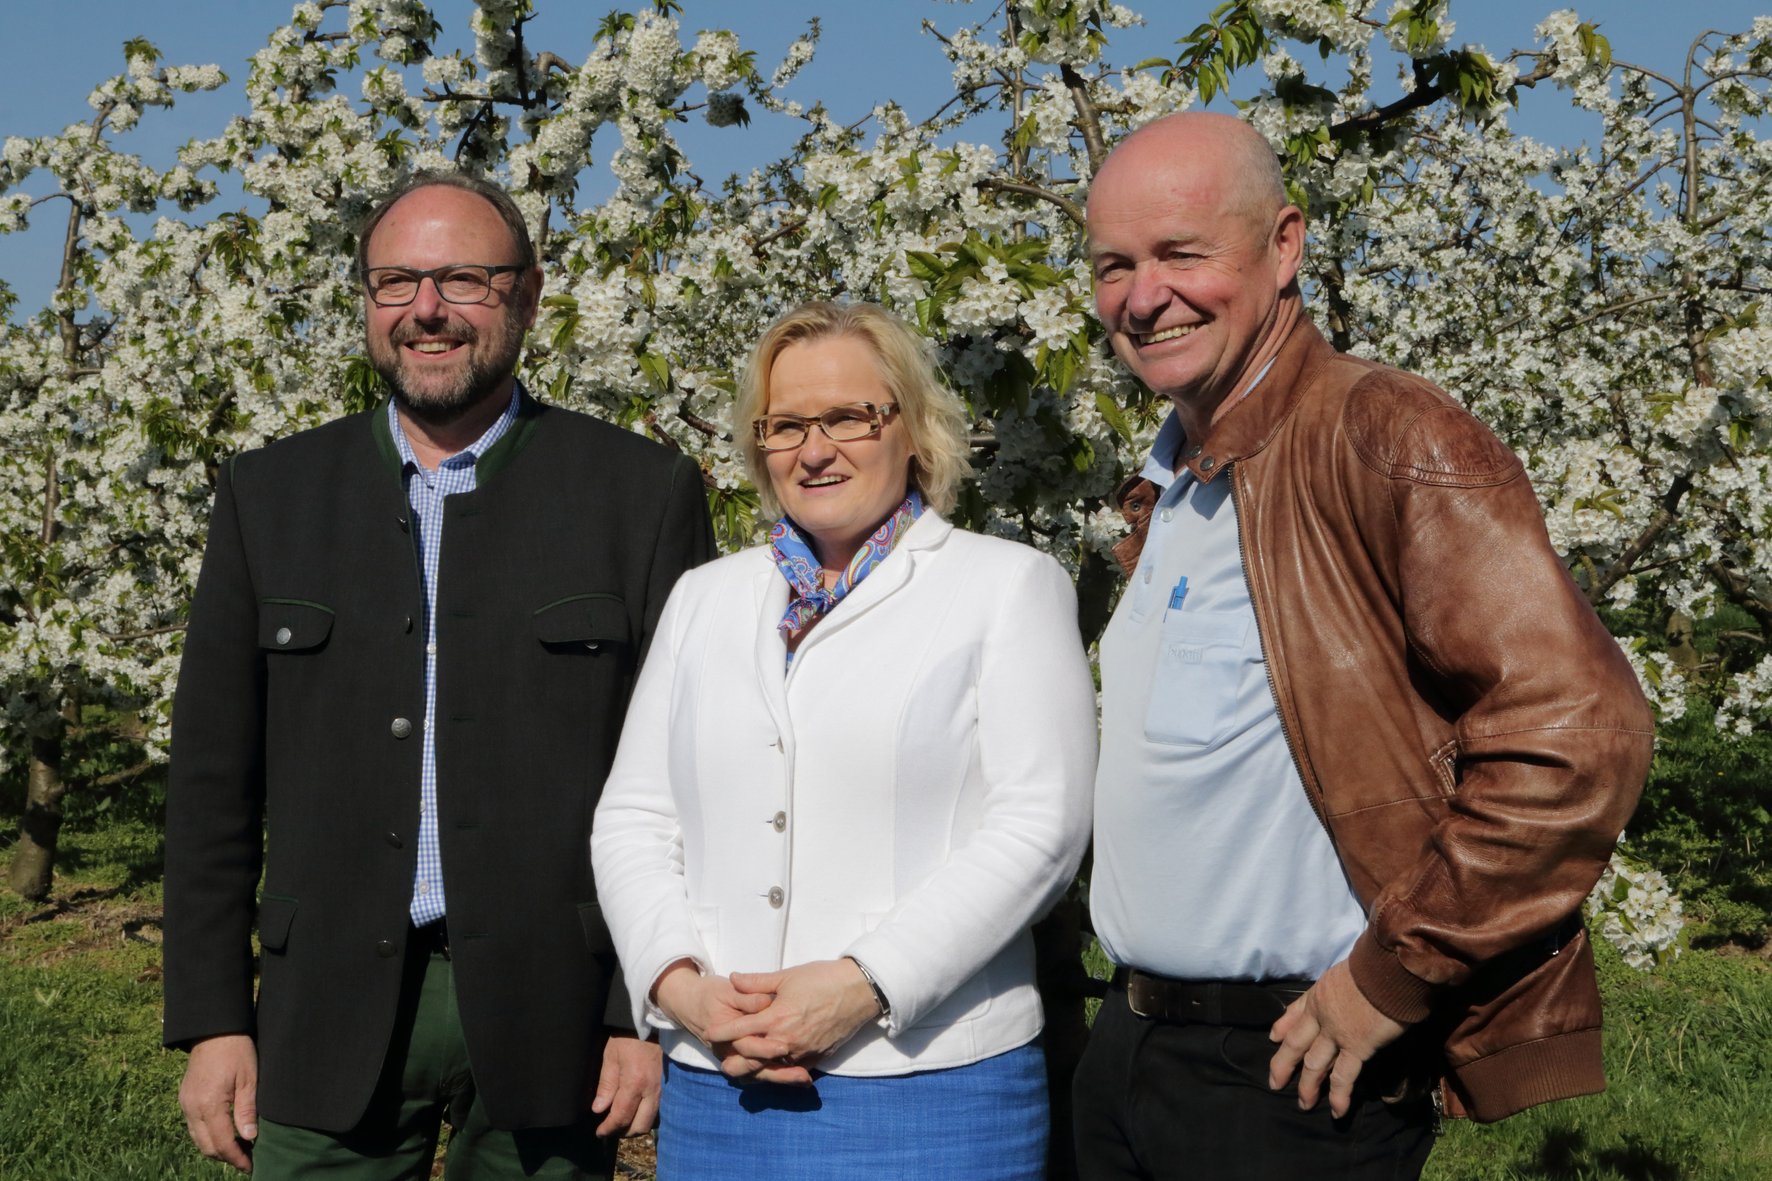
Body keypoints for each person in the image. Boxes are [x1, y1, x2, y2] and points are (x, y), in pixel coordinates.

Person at [1072, 112, 1654, 1180]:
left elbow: (1578, 735)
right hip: (1129, 1050)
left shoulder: (1383, 435)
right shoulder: (1172, 483)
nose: (1143, 297)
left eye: (1181, 254)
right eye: (1115, 265)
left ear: (1284, 244)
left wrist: (1391, 977)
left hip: (1287, 1068)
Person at [162, 170, 715, 1179]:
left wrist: (637, 1008)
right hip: (322, 1004)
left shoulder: (640, 494)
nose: (426, 309)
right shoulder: (268, 494)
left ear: (527, 296)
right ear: (367, 300)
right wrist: (212, 1017)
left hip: (559, 1011)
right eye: (395, 282)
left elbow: (686, 780)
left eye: (463, 279)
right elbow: (211, 784)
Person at [590, 301, 1096, 1180]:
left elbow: (1040, 828)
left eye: (849, 417)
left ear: (912, 429)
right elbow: (634, 818)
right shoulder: (704, 598)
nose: (814, 449)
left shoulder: (1006, 586)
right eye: (786, 424)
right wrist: (680, 987)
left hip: (931, 1087)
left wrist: (864, 982)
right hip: (718, 1084)